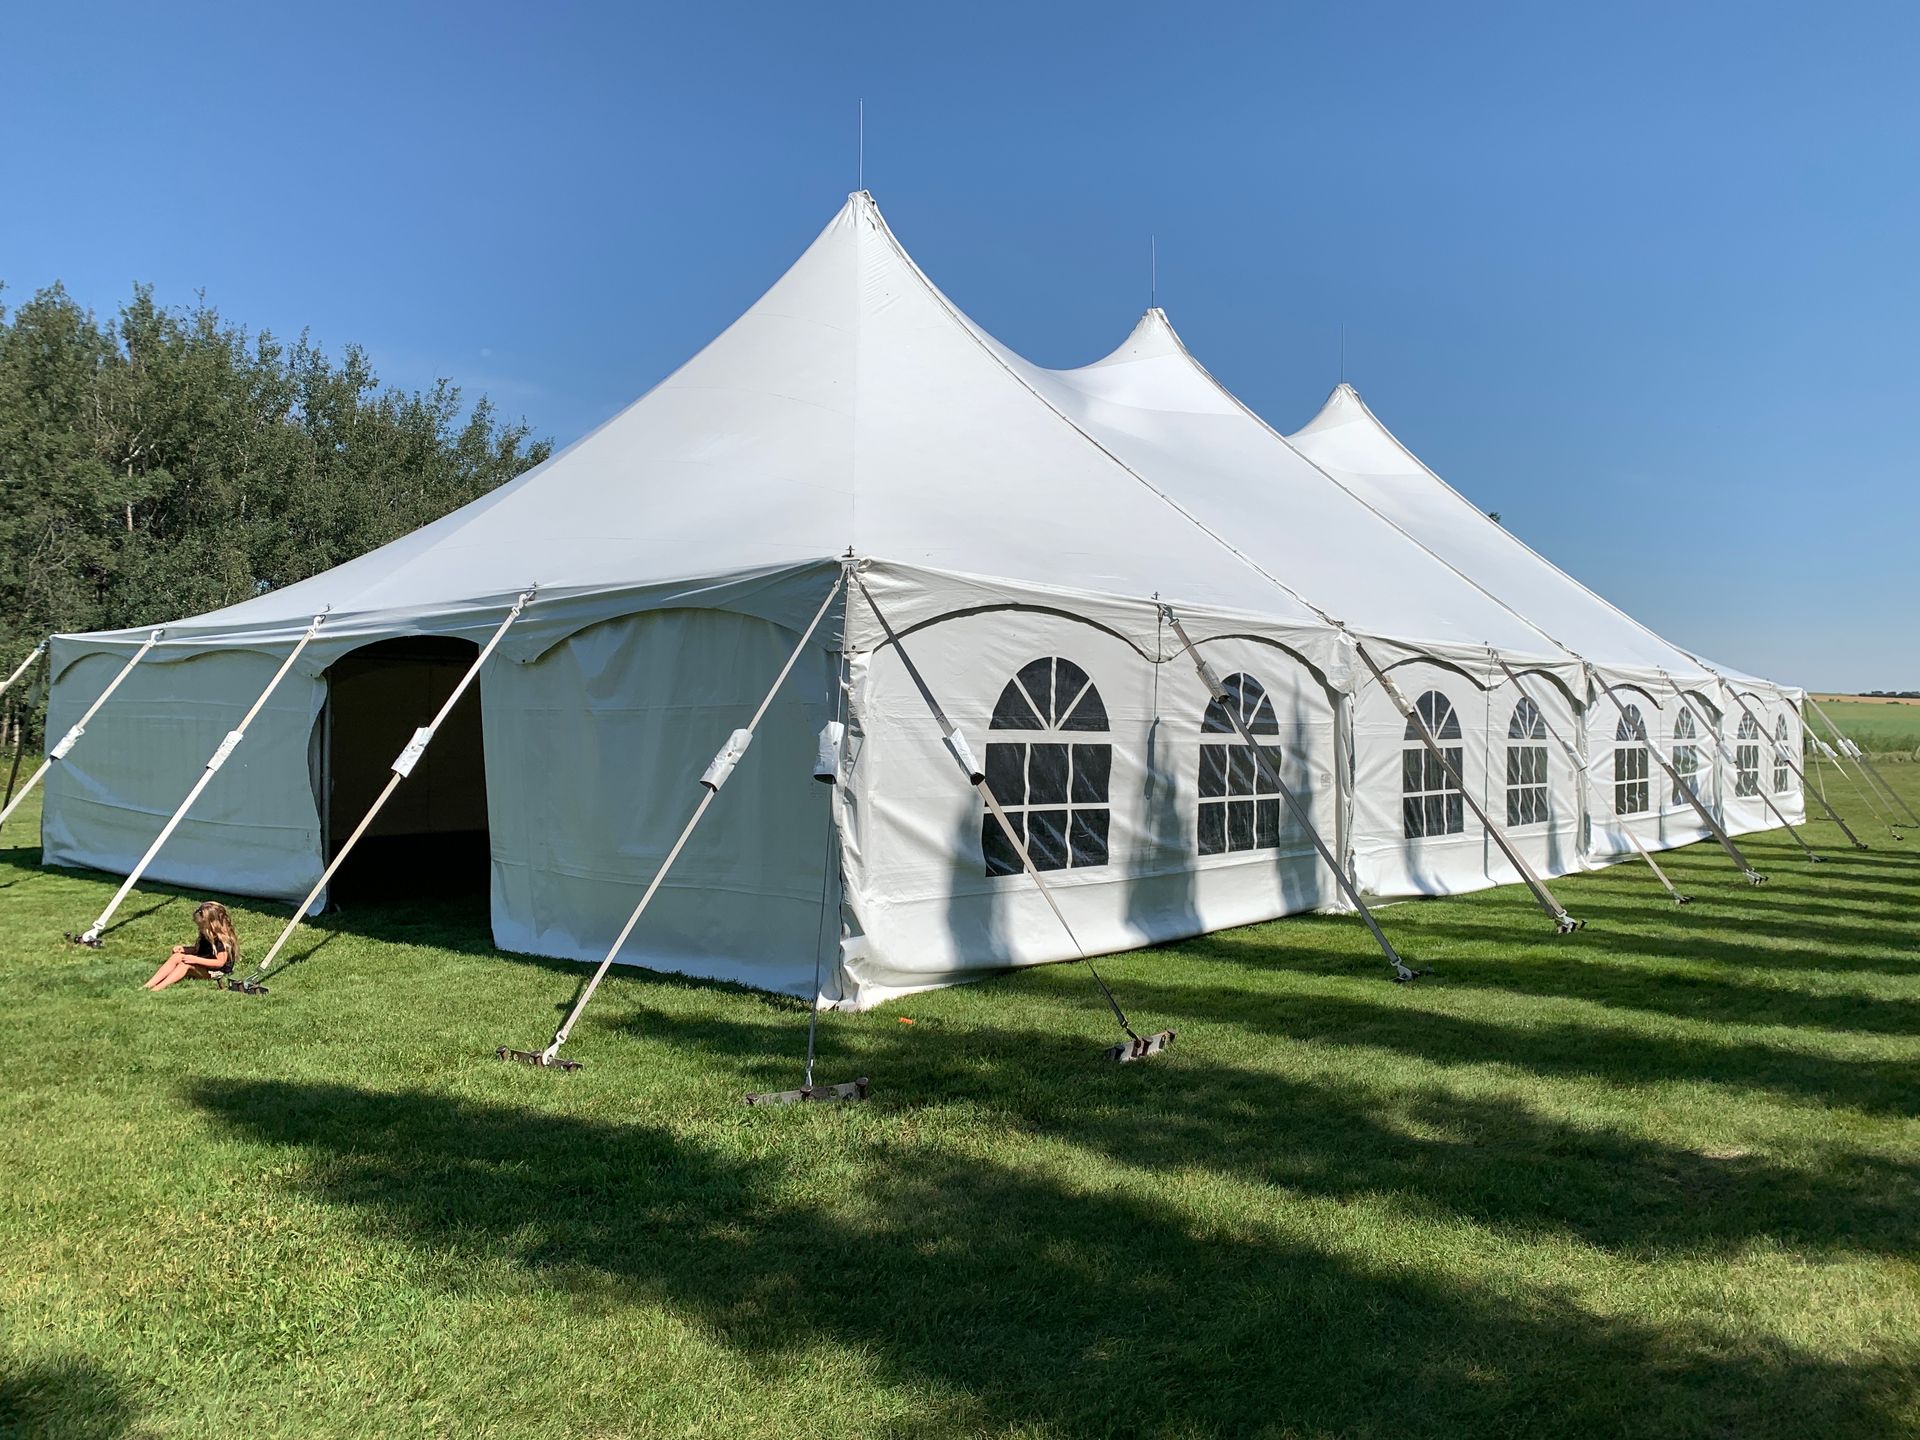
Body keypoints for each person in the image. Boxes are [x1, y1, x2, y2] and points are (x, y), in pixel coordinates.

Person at [142, 901, 240, 991]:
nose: (200, 928)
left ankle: (158, 988)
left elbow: (219, 963)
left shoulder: (221, 941)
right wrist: (185, 949)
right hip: (206, 966)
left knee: (186, 964)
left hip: (216, 972)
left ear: (211, 924)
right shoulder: (206, 935)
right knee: (177, 956)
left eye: (201, 926)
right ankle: (148, 985)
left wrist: (195, 960)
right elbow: (202, 952)